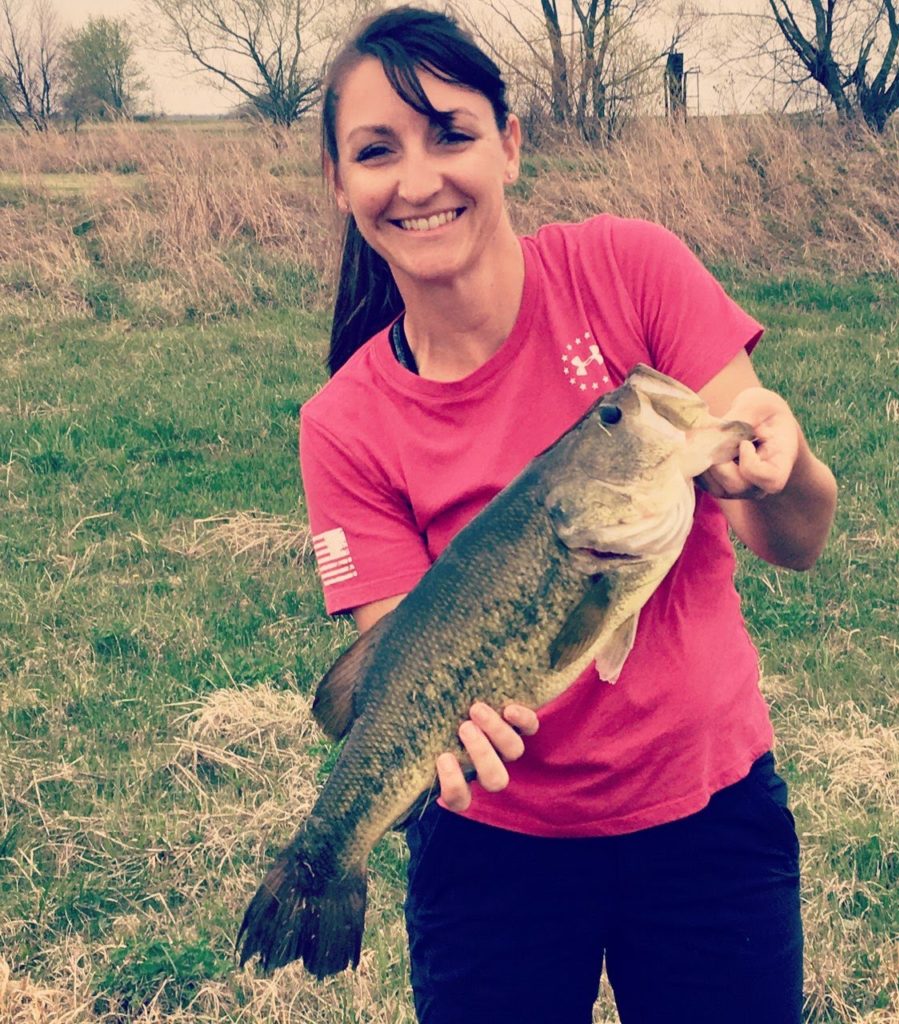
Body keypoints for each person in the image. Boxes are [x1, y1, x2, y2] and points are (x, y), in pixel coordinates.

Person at [300, 7, 838, 1022]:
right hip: (491, 852)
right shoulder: (342, 425)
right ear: (340, 182)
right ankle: (320, 863)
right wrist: (449, 749)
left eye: (451, 133)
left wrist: (786, 461)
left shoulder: (629, 268)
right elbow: (403, 667)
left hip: (707, 821)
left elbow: (796, 539)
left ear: (510, 142)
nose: (417, 180)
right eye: (376, 151)